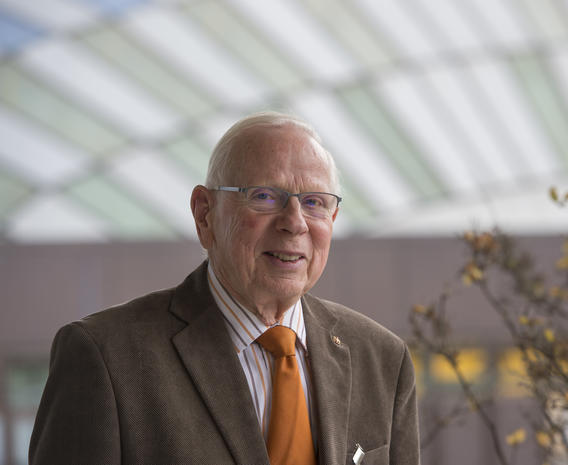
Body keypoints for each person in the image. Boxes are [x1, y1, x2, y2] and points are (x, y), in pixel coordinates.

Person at [29, 112, 420, 465]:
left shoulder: (382, 359)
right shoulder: (105, 357)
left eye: (315, 202)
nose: (295, 223)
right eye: (265, 196)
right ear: (205, 214)